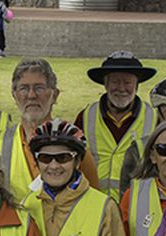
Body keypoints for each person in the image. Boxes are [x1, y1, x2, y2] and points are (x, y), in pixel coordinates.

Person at [7, 58, 100, 200]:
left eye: (39, 88)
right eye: (23, 89)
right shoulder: (0, 145)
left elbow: (94, 201)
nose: (31, 95)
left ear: (55, 95)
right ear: (14, 96)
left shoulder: (75, 145)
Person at [76, 51, 159, 198]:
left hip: (135, 203)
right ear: (106, 84)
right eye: (115, 81)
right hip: (94, 203)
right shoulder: (85, 116)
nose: (121, 88)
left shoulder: (154, 119)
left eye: (127, 82)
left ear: (137, 86)